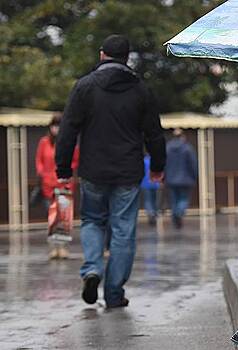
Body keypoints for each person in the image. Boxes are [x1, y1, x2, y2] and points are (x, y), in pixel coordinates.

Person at [55, 34, 166, 308]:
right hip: (128, 171)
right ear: (126, 58)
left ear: (102, 54)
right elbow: (154, 132)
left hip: (93, 170)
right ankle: (114, 293)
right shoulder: (141, 89)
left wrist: (63, 168)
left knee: (93, 220)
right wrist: (158, 166)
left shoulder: (84, 87)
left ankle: (93, 268)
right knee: (123, 231)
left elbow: (68, 130)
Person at [35, 114, 79, 259]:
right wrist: (43, 173)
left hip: (64, 185)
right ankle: (53, 248)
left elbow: (75, 160)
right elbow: (39, 160)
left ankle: (63, 248)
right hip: (48, 185)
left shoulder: (69, 142)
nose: (56, 128)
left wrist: (65, 170)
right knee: (51, 217)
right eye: (54, 125)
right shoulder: (44, 142)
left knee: (64, 218)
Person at [164, 128, 198, 229]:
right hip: (185, 179)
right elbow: (193, 164)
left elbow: (164, 164)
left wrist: (164, 177)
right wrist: (195, 176)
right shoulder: (187, 148)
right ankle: (179, 213)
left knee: (174, 200)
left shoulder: (168, 148)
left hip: (171, 179)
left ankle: (175, 215)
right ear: (182, 136)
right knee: (183, 198)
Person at [141, 155, 160, 226]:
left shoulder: (143, 161)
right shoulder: (155, 161)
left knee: (148, 200)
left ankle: (150, 213)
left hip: (145, 184)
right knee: (155, 200)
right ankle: (155, 213)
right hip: (155, 183)